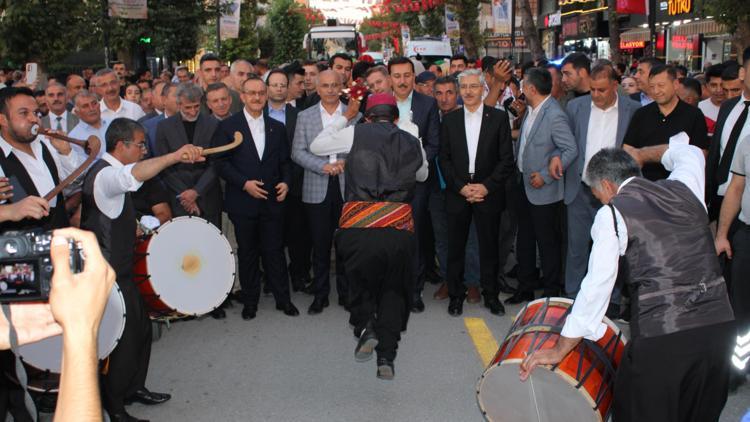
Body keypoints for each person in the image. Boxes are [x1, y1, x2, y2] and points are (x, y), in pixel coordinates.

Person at [521, 140, 735, 422]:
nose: (600, 201)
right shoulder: (686, 187)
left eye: (597, 195)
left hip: (665, 337)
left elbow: (597, 286)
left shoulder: (611, 214)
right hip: (719, 331)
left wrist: (561, 347)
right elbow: (690, 152)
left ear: (608, 186)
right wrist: (644, 154)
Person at [81, 118, 198, 421]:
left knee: (142, 330)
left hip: (121, 269)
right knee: (124, 338)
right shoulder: (107, 175)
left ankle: (134, 388)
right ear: (121, 146)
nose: (144, 150)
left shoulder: (107, 171)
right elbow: (132, 175)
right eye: (141, 144)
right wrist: (174, 156)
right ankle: (115, 408)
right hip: (108, 274)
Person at [309, 92, 427, 380]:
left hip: (359, 228)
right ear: (395, 117)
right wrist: (412, 135)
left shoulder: (355, 133)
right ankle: (386, 355)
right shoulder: (410, 140)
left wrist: (343, 118)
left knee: (358, 284)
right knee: (394, 291)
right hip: (397, 230)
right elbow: (422, 175)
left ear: (368, 116)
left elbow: (316, 146)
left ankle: (365, 327)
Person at [214, 75, 299, 320]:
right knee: (248, 253)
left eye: (261, 92)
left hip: (272, 201)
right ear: (242, 97)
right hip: (243, 202)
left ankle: (284, 299)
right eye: (251, 93)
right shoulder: (227, 127)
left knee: (274, 252)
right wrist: (244, 184)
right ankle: (250, 302)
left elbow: (285, 162)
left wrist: (285, 182)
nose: (257, 97)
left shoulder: (277, 127)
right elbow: (220, 164)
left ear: (266, 95)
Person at [438, 69, 514, 316]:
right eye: (464, 87)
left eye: (473, 86)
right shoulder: (449, 120)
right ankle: (456, 295)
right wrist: (461, 187)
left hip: (487, 192)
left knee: (489, 247)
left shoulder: (499, 118)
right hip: (458, 191)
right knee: (456, 247)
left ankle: (491, 295)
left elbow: (506, 160)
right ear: (460, 91)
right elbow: (444, 160)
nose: (468, 91)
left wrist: (486, 187)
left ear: (483, 88)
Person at [563, 63, 640, 306]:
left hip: (615, 195)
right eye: (593, 90)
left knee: (612, 250)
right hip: (581, 189)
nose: (595, 95)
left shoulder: (633, 111)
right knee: (576, 249)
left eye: (601, 90)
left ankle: (612, 301)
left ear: (615, 86)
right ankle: (572, 298)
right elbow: (566, 143)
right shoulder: (576, 107)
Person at [506, 67, 577, 304]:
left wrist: (546, 175)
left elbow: (570, 149)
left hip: (544, 190)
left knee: (547, 243)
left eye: (524, 85)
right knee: (525, 239)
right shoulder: (532, 109)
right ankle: (525, 288)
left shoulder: (554, 113)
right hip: (523, 185)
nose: (522, 88)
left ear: (532, 89)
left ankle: (551, 293)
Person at [292, 71, 357, 314]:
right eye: (325, 86)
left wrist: (344, 164)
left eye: (335, 85)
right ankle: (320, 294)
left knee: (345, 244)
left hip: (345, 186)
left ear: (342, 87)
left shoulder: (353, 114)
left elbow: (360, 148)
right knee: (319, 246)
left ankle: (345, 293)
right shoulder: (305, 117)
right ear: (317, 89)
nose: (330, 90)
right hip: (316, 186)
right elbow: (297, 152)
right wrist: (323, 166)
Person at [388, 56, 441, 312]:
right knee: (390, 237)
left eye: (407, 75)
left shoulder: (428, 104)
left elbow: (433, 144)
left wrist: (414, 166)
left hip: (417, 182)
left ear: (413, 77)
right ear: (390, 79)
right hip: (386, 184)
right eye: (396, 76)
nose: (402, 81)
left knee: (415, 236)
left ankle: (415, 289)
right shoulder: (379, 103)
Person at [0, 87, 84, 231]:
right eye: (24, 113)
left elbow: (74, 184)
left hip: (61, 243)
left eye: (35, 113)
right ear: (3, 120)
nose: (34, 119)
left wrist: (66, 152)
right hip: (20, 249)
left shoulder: (46, 144)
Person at [263, 70, 309, 292]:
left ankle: (298, 276)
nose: (279, 88)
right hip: (264, 184)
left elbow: (303, 150)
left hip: (295, 185)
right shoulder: (256, 113)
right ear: (267, 88)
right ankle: (272, 280)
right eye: (274, 85)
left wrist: (290, 180)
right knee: (271, 237)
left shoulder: (299, 115)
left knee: (297, 235)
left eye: (283, 84)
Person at [623, 65, 709, 181]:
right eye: (652, 86)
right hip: (644, 186)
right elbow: (628, 150)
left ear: (675, 85)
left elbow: (700, 155)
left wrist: (647, 154)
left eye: (661, 86)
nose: (656, 91)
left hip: (679, 187)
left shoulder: (693, 115)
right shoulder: (641, 114)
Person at [153, 83, 222, 226]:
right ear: (179, 105)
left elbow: (216, 163)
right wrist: (185, 195)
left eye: (196, 106)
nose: (193, 111)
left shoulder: (213, 124)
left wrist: (196, 192)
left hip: (208, 197)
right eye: (188, 107)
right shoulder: (164, 127)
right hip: (179, 199)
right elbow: (163, 164)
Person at [715, 130, 750, 388]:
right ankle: (738, 369)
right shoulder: (748, 142)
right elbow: (736, 188)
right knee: (740, 309)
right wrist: (722, 234)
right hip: (746, 233)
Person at [706, 49, 750, 221]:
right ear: (742, 72)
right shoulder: (728, 107)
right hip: (719, 193)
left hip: (745, 200)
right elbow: (717, 152)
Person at [699, 63, 727, 134]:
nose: (719, 90)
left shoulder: (738, 108)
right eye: (714, 85)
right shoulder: (699, 108)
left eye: (722, 85)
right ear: (706, 86)